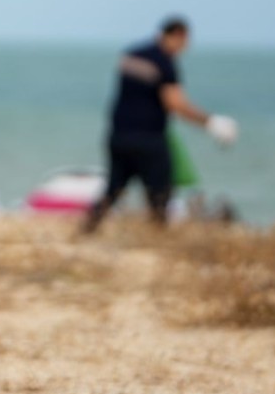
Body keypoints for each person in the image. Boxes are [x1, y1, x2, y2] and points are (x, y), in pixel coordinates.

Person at [82, 16, 238, 233]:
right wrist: (211, 122)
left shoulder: (132, 54)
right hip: (149, 137)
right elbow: (175, 104)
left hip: (118, 134)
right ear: (178, 36)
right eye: (185, 42)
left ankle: (86, 231)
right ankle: (158, 234)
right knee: (160, 191)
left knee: (114, 188)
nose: (185, 47)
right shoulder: (165, 64)